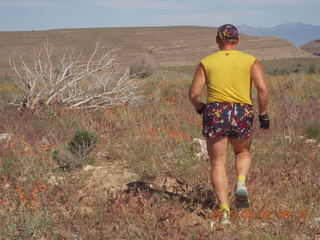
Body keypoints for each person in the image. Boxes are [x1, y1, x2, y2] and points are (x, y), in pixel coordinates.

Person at [189, 24, 270, 226]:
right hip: (242, 111)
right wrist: (263, 113)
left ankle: (224, 212)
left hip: (215, 112)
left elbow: (194, 94)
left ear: (218, 40)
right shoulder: (251, 61)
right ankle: (241, 181)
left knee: (218, 163)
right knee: (242, 152)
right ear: (237, 40)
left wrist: (200, 108)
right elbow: (262, 90)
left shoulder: (206, 62)